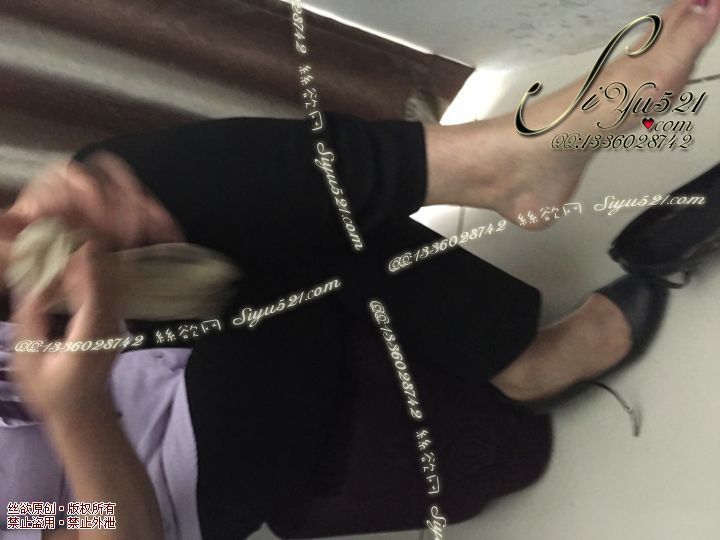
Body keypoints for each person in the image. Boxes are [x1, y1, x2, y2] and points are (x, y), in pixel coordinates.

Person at [1, 0, 718, 537]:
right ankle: (514, 224)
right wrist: (76, 410)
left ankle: (507, 177)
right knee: (267, 224)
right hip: (169, 468)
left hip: (134, 350)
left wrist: (31, 240)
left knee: (130, 185)